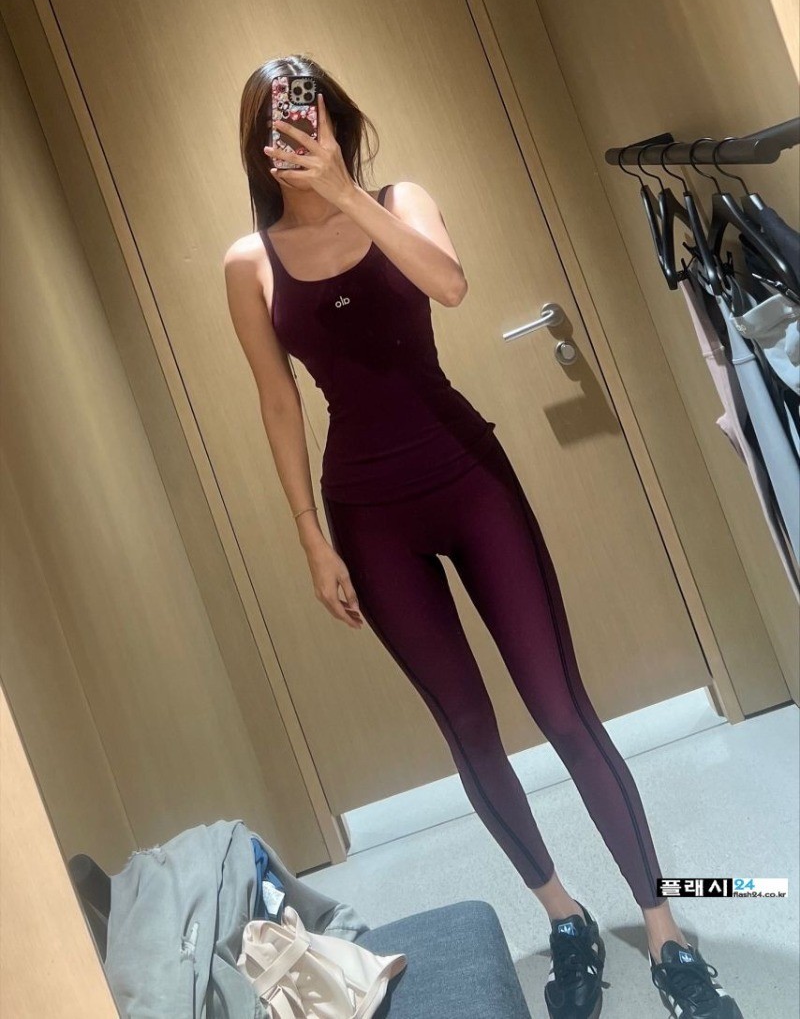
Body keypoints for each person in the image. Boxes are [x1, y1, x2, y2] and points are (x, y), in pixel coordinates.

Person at [224, 57, 743, 1019]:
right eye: (279, 121)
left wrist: (345, 193)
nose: (298, 130)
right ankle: (562, 913)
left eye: (312, 112)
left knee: (562, 705)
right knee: (467, 727)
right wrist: (310, 538)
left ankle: (665, 929)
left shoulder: (400, 200)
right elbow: (277, 401)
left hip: (468, 475)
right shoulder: (248, 263)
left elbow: (451, 286)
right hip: (366, 512)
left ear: (337, 119)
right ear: (257, 141)